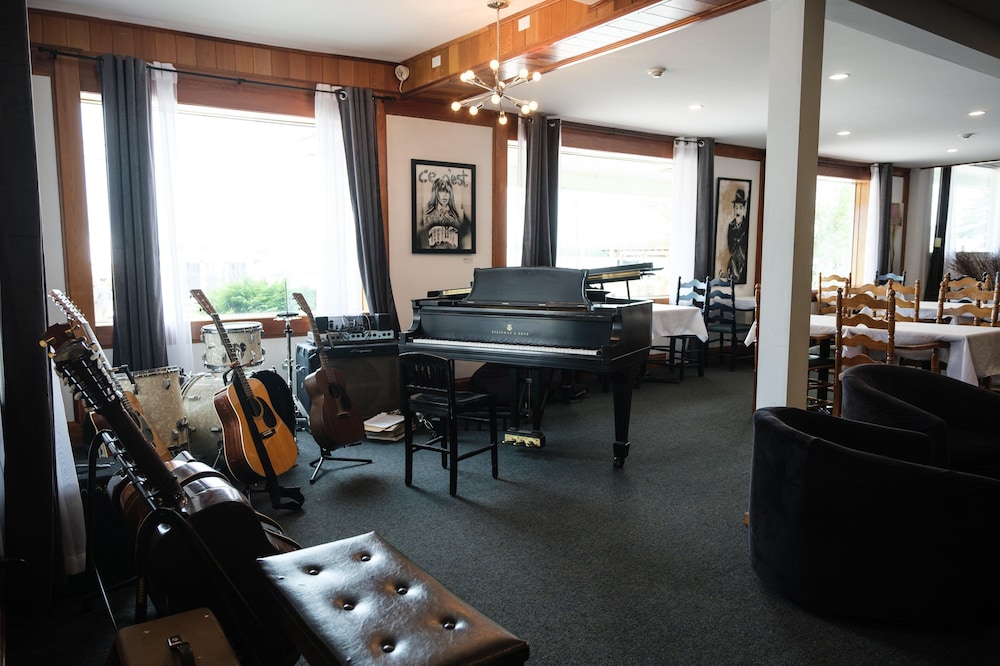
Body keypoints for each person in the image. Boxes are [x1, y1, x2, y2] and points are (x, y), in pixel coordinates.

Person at [417, 176, 471, 250]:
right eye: (441, 191)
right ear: (436, 193)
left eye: (447, 192)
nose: (445, 195)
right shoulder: (428, 216)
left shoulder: (457, 217)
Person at [726, 188, 749, 283]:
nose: (738, 211)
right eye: (736, 208)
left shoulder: (747, 225)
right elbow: (730, 248)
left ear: (743, 209)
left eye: (740, 208)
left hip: (743, 263)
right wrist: (736, 240)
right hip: (734, 262)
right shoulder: (731, 226)